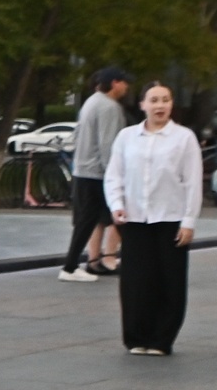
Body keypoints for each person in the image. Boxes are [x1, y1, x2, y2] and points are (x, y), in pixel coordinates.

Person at [105, 82, 202, 356]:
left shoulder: (184, 138)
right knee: (136, 281)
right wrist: (117, 205)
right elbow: (114, 175)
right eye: (154, 100)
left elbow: (192, 182)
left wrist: (189, 221)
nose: (160, 105)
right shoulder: (126, 137)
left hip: (170, 219)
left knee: (169, 281)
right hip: (135, 219)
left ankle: (162, 339)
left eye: (165, 100)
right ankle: (136, 336)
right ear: (142, 105)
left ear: (172, 104)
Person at [61, 68, 132, 281]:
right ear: (114, 83)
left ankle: (78, 265)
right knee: (123, 216)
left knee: (88, 221)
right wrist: (116, 175)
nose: (126, 87)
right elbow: (107, 144)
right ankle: (74, 267)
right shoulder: (109, 107)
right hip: (98, 174)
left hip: (84, 170)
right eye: (123, 82)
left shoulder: (91, 102)